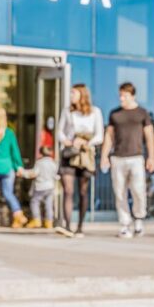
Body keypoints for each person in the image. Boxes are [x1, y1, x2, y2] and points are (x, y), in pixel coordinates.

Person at [100, 82, 154, 239]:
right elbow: (109, 136)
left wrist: (151, 157)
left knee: (138, 190)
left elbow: (150, 136)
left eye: (124, 95)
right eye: (120, 95)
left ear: (132, 95)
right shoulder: (115, 114)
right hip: (118, 158)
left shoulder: (142, 113)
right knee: (120, 192)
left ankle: (138, 220)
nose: (121, 98)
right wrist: (104, 156)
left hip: (136, 157)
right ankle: (125, 224)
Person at [56, 84, 104, 237]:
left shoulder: (95, 112)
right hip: (69, 154)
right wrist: (69, 142)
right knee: (68, 190)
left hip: (85, 155)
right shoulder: (67, 111)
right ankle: (68, 226)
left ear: (82, 94)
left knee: (83, 191)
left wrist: (86, 143)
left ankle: (80, 227)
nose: (71, 96)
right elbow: (59, 132)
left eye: (73, 93)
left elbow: (99, 135)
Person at [23, 146, 58, 229]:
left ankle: (36, 220)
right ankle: (49, 222)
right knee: (49, 204)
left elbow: (34, 173)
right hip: (50, 186)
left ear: (41, 153)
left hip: (41, 186)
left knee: (34, 202)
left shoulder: (40, 163)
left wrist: (24, 173)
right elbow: (56, 175)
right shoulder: (53, 163)